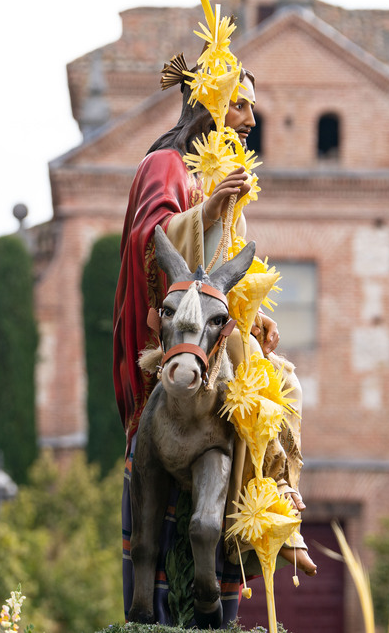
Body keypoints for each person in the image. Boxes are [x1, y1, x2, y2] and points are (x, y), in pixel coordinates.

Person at [114, 58, 316, 625]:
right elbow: (148, 243)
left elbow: (226, 272)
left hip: (217, 334)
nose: (251, 117)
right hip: (175, 341)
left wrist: (253, 320)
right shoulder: (167, 165)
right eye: (239, 103)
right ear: (208, 101)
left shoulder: (221, 172)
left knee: (285, 384)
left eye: (251, 105)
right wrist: (208, 206)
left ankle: (275, 504)